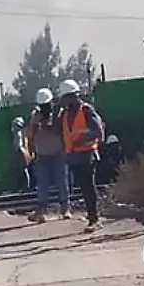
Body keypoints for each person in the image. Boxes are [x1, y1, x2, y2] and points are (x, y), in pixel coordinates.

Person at [55, 79, 104, 231]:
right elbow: (60, 132)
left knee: (89, 187)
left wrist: (81, 139)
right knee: (84, 188)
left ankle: (94, 219)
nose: (63, 101)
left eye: (65, 98)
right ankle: (92, 216)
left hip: (87, 154)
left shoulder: (86, 110)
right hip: (73, 157)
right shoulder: (64, 114)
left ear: (72, 96)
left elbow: (98, 131)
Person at [24, 87, 71, 222]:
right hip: (42, 155)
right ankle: (41, 211)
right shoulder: (34, 116)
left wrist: (44, 124)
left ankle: (65, 209)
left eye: (47, 105)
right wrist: (34, 124)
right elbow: (28, 135)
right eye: (42, 106)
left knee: (62, 182)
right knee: (42, 184)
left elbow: (58, 131)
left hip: (58, 154)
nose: (45, 108)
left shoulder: (59, 114)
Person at [11, 117, 34, 190]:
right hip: (19, 151)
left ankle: (27, 185)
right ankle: (22, 185)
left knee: (24, 169)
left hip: (21, 151)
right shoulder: (18, 133)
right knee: (20, 170)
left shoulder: (20, 133)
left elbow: (19, 144)